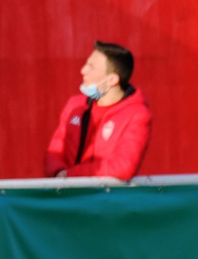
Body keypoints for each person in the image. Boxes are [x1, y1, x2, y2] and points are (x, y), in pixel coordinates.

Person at [45, 40, 152, 182]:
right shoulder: (75, 105)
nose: (83, 70)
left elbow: (123, 166)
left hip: (106, 201)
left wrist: (70, 176)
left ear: (112, 79)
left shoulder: (137, 115)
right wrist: (58, 172)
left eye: (91, 67)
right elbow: (56, 148)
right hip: (67, 199)